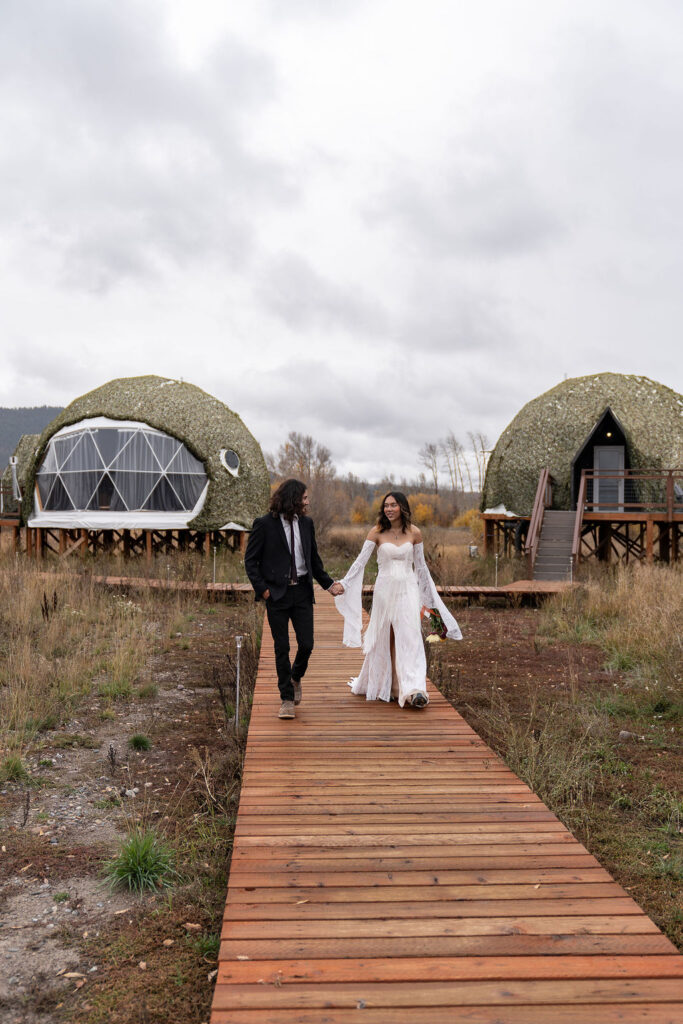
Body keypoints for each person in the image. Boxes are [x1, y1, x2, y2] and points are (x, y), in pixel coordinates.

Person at [334, 491, 462, 708]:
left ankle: (414, 690)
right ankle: (389, 685)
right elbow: (360, 563)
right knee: (385, 637)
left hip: (407, 591)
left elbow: (421, 568)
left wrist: (429, 603)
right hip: (384, 592)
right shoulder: (376, 532)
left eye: (393, 505)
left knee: (410, 637)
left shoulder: (415, 533)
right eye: (386, 506)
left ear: (402, 507)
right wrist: (344, 584)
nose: (389, 509)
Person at [244, 478, 344, 720]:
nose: (308, 502)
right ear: (293, 499)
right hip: (276, 594)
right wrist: (264, 590)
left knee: (307, 644)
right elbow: (251, 561)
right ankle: (286, 699)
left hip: (301, 592)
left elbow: (314, 561)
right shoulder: (264, 524)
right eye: (305, 498)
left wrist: (329, 584)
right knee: (281, 648)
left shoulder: (307, 524)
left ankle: (296, 677)